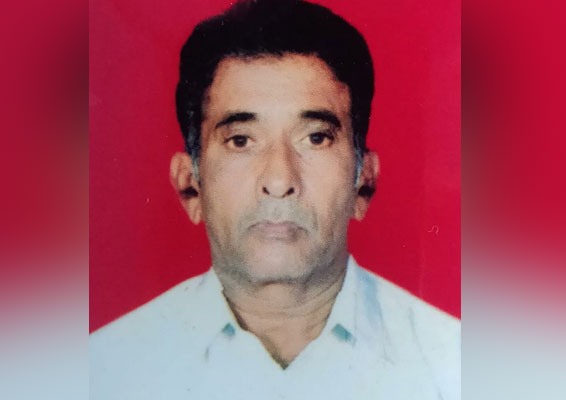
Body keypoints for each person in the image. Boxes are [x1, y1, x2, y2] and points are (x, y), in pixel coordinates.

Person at [90, 0, 460, 399]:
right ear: (191, 187)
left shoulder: (455, 366)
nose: (280, 180)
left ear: (363, 183)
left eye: (315, 138)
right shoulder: (101, 373)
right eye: (240, 141)